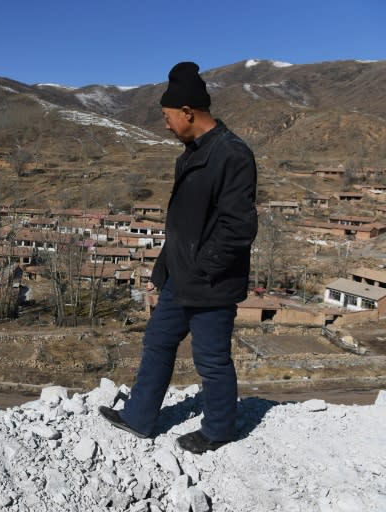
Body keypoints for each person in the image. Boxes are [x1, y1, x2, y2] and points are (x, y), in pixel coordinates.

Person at [99, 61, 258, 454]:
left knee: (211, 360)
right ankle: (139, 417)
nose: (166, 125)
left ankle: (219, 429)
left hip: (211, 282)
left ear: (188, 112)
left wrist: (204, 269)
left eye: (168, 117)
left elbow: (238, 227)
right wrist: (163, 268)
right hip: (179, 278)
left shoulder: (232, 155)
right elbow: (183, 224)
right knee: (157, 341)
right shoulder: (189, 154)